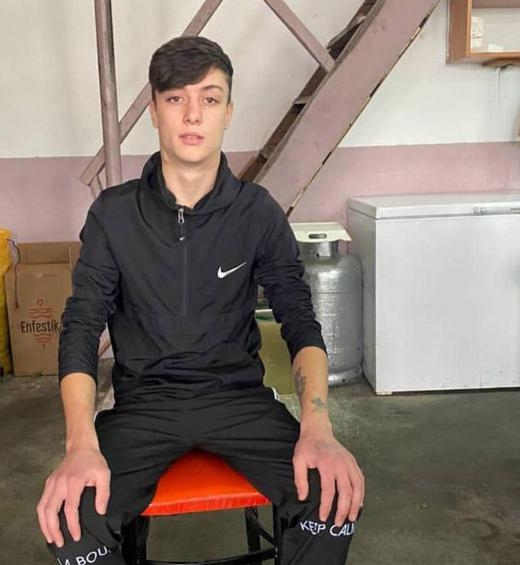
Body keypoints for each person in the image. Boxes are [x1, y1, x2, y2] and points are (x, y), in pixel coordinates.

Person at [37, 36, 364, 565]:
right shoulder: (113, 215)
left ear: (228, 113)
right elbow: (80, 328)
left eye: (209, 98)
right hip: (144, 406)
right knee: (71, 523)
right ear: (154, 111)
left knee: (332, 500)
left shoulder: (258, 213)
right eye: (176, 98)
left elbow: (300, 320)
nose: (193, 114)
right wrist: (79, 444)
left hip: (237, 400)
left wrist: (318, 428)